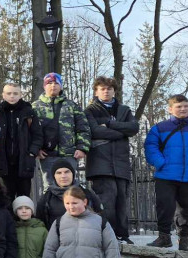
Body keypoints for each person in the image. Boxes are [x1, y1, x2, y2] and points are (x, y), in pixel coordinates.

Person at [144, 94, 188, 252]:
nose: (183, 109)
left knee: (186, 209)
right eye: (179, 106)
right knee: (165, 206)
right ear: (170, 109)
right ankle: (164, 237)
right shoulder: (159, 128)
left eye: (185, 106)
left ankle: (184, 241)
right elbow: (151, 147)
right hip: (166, 175)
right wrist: (160, 163)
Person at [84, 77, 138, 245]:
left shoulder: (124, 110)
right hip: (100, 164)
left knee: (122, 201)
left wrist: (108, 124)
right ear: (96, 91)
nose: (106, 91)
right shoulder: (90, 110)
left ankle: (123, 235)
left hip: (121, 164)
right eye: (102, 89)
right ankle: (108, 235)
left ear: (114, 91)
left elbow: (134, 128)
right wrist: (121, 131)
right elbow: (94, 131)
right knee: (105, 202)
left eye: (109, 89)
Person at [34, 73, 90, 185]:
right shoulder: (35, 107)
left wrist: (82, 148)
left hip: (70, 154)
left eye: (56, 83)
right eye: (49, 83)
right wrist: (36, 150)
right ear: (44, 86)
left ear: (60, 86)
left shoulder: (71, 106)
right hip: (47, 155)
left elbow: (83, 127)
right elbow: (31, 131)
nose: (53, 86)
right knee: (49, 186)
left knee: (70, 187)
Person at [0, 82, 43, 201]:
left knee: (24, 198)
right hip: (4, 163)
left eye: (15, 93)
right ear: (3, 95)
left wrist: (32, 152)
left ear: (21, 95)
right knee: (5, 198)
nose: (12, 96)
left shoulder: (29, 112)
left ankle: (24, 219)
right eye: (9, 93)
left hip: (24, 162)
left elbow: (37, 135)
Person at [36, 159, 103, 228]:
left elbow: (100, 217)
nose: (63, 176)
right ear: (54, 176)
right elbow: (40, 224)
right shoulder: (46, 198)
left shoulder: (87, 194)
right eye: (59, 173)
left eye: (67, 172)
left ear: (73, 174)